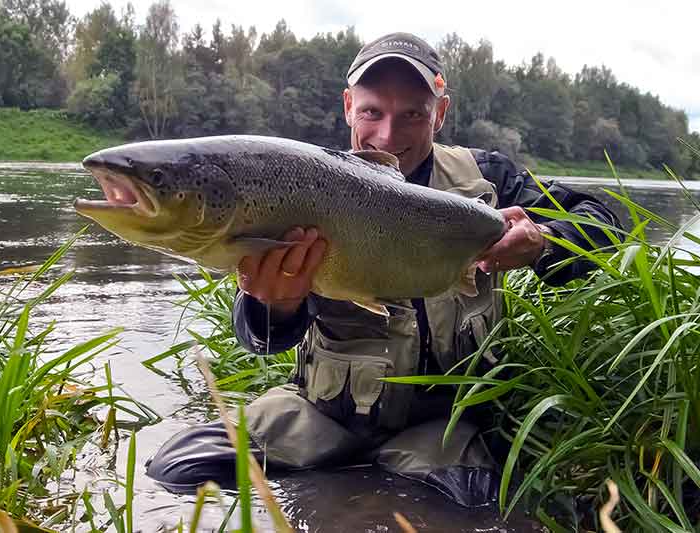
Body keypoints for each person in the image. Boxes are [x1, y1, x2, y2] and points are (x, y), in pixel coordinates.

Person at [146, 32, 621, 507]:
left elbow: (608, 221)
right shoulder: (305, 183)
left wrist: (543, 243)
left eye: (412, 113)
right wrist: (274, 304)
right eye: (373, 112)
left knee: (474, 502)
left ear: (439, 112)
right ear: (349, 105)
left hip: (440, 426)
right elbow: (261, 341)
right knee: (180, 466)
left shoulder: (487, 180)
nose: (388, 136)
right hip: (324, 415)